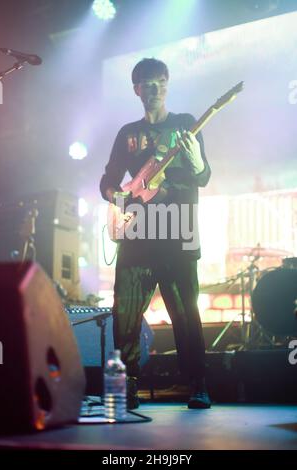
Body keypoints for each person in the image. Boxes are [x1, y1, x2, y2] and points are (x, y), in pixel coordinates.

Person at [100, 58, 211, 409]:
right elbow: (107, 179)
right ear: (136, 89)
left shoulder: (186, 125)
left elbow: (204, 176)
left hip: (178, 233)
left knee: (185, 315)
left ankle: (197, 385)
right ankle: (126, 386)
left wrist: (195, 161)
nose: (154, 90)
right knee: (125, 314)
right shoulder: (127, 134)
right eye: (147, 84)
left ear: (168, 84)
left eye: (160, 82)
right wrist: (117, 196)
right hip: (138, 235)